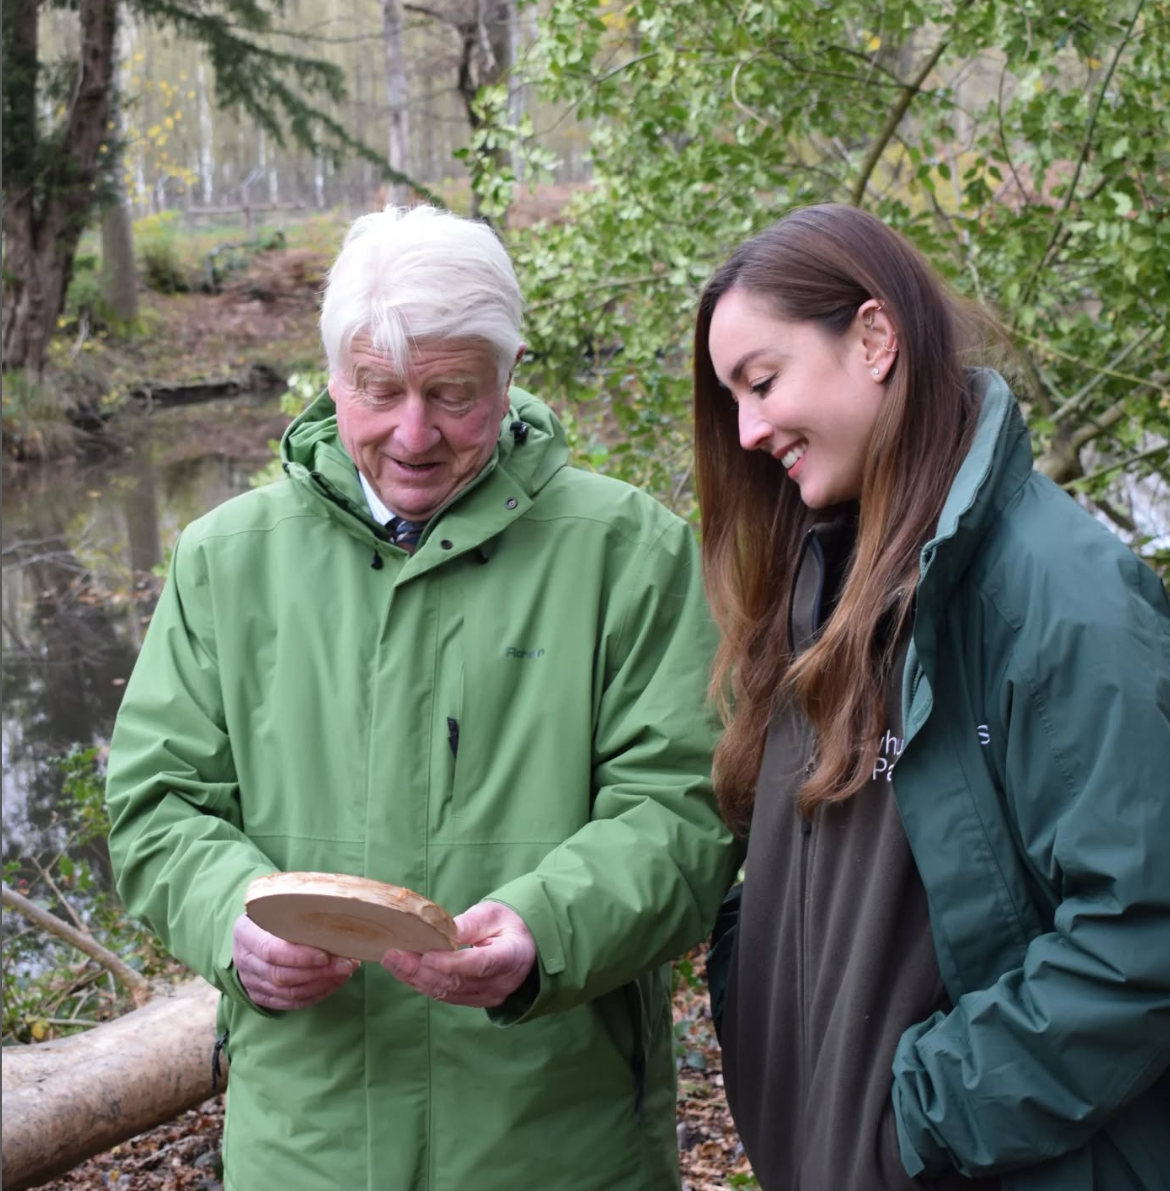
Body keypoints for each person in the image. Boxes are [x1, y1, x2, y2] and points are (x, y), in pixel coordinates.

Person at [105, 204, 739, 1191]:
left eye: (451, 394)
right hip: (307, 1146)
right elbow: (158, 801)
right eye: (380, 390)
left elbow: (684, 805)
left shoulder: (627, 551)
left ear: (510, 372)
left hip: (560, 1146)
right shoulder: (226, 563)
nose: (414, 433)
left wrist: (545, 932)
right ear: (330, 376)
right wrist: (232, 917)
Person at [692, 203, 1170, 1191]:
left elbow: (1150, 932)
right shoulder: (820, 590)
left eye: (762, 383)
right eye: (732, 400)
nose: (748, 431)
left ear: (875, 338)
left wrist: (919, 1117)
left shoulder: (1063, 598)